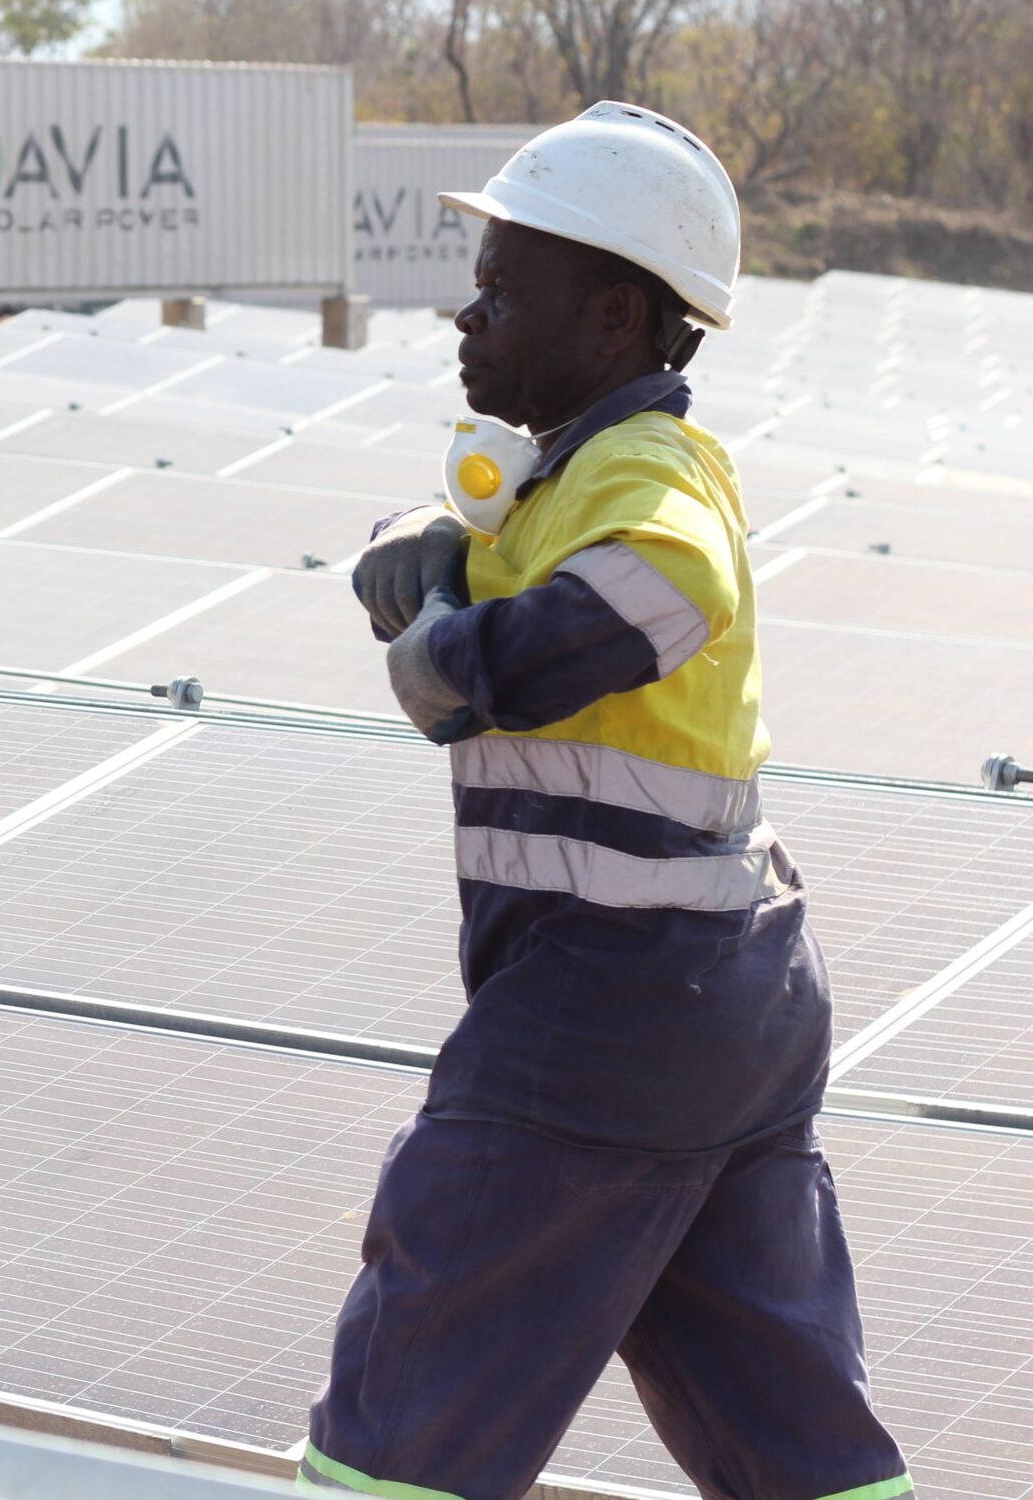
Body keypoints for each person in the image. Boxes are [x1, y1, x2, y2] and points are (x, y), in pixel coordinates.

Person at [295, 103, 912, 1500]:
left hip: (608, 1012)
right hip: (727, 1008)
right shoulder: (577, 468)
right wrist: (430, 547)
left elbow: (672, 585)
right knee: (784, 1420)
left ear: (619, 318)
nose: (469, 316)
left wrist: (460, 654)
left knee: (417, 1387)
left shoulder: (650, 475)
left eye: (506, 293)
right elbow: (489, 540)